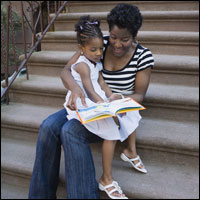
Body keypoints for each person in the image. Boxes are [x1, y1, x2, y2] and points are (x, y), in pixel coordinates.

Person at [29, 3, 154, 199]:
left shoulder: (143, 56)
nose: (117, 44)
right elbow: (66, 70)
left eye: (125, 39)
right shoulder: (97, 44)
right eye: (113, 37)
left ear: (135, 36)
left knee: (69, 131)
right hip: (87, 104)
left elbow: (139, 95)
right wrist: (75, 88)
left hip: (113, 110)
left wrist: (117, 101)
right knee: (47, 127)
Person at [64, 15, 145, 199]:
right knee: (111, 131)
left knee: (128, 111)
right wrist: (103, 104)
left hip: (98, 99)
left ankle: (130, 151)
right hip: (84, 102)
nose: (99, 53)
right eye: (93, 49)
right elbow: (90, 89)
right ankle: (106, 179)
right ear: (81, 49)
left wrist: (111, 97)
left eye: (101, 48)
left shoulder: (95, 61)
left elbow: (102, 83)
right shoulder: (83, 65)